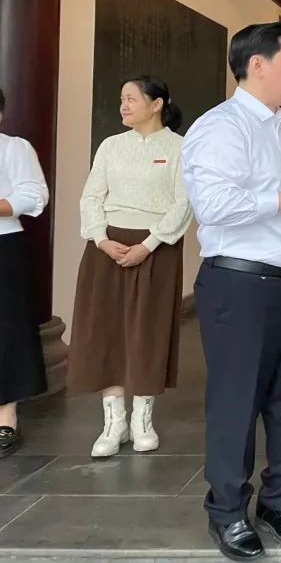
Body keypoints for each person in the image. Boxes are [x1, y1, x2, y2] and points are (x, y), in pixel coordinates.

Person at [181, 21, 281, 561]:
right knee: (236, 401)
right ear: (258, 64)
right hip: (241, 285)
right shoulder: (222, 127)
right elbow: (213, 206)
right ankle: (227, 511)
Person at [67, 76, 193, 458]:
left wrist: (148, 245)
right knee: (105, 330)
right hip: (107, 247)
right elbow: (91, 196)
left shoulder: (180, 148)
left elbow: (184, 203)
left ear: (157, 104)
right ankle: (114, 422)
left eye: (131, 99)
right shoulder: (110, 145)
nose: (123, 105)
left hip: (156, 248)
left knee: (148, 330)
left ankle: (142, 419)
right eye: (121, 99)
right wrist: (101, 238)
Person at [0, 88, 49, 458]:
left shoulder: (14, 148)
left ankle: (6, 417)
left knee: (7, 330)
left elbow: (34, 196)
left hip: (4, 244)